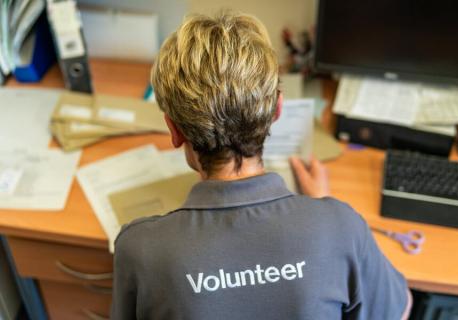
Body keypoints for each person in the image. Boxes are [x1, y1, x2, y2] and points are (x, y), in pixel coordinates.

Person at [111, 12, 411, 320]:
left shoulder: (140, 249)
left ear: (174, 130)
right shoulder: (342, 227)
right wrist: (323, 211)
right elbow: (398, 310)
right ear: (277, 109)